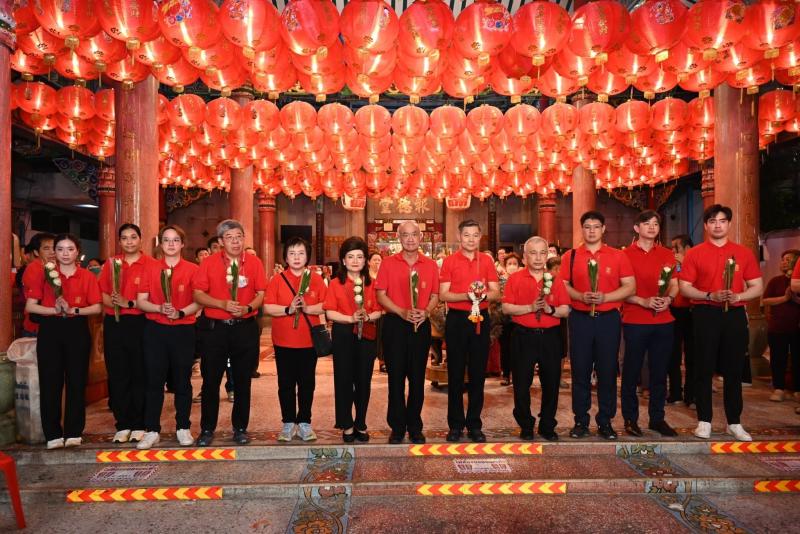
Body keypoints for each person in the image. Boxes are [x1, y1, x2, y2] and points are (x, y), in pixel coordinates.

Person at [679, 204, 763, 441]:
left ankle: (734, 422)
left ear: (729, 224)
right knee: (703, 367)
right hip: (705, 313)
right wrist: (709, 295)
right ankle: (704, 421)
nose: (718, 225)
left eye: (722, 221)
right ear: (706, 226)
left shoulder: (743, 253)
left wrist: (739, 296)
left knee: (734, 370)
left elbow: (757, 286)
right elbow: (685, 287)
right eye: (713, 221)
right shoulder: (695, 253)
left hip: (734, 314)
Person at [562, 211, 635, 440]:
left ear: (603, 229)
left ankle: (605, 421)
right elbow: (563, 285)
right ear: (582, 229)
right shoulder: (571, 256)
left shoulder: (617, 256)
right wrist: (579, 296)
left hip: (608, 319)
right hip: (580, 318)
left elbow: (630, 286)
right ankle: (580, 421)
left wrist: (607, 297)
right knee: (580, 370)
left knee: (607, 371)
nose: (591, 230)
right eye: (587, 226)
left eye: (596, 226)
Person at [193, 220, 266, 446]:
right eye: (230, 237)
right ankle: (207, 429)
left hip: (244, 328)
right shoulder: (209, 263)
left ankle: (240, 428)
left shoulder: (253, 262)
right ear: (221, 241)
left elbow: (261, 293)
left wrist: (248, 308)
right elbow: (198, 294)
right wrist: (222, 304)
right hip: (215, 330)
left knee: (243, 380)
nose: (235, 241)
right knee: (211, 380)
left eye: (239, 237)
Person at [25, 234, 102, 449]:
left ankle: (74, 431)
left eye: (70, 249)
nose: (65, 253)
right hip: (50, 329)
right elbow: (30, 306)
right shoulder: (44, 274)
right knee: (50, 382)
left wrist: (74, 310)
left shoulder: (86, 276)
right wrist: (54, 309)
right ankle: (52, 433)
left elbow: (96, 307)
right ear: (54, 252)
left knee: (77, 381)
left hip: (77, 328)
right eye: (60, 249)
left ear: (77, 252)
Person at [135, 225, 201, 449]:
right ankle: (152, 429)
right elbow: (141, 301)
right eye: (166, 240)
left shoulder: (193, 269)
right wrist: (158, 308)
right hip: (155, 330)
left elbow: (199, 301)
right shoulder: (150, 268)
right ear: (160, 244)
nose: (171, 244)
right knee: (154, 381)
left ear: (182, 244)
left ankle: (183, 427)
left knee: (182, 380)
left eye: (175, 240)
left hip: (183, 329)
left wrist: (180, 312)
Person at [375, 220, 440, 444]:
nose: (410, 239)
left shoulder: (430, 265)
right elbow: (380, 295)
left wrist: (426, 311)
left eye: (414, 234)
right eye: (405, 235)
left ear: (420, 237)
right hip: (395, 324)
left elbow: (435, 295)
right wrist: (401, 311)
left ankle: (415, 426)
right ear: (399, 238)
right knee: (395, 378)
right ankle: (397, 427)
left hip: (420, 325)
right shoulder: (388, 263)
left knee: (417, 378)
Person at [502, 237, 570, 441]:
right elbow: (506, 308)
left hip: (550, 337)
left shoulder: (555, 279)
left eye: (542, 253)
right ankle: (526, 424)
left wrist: (550, 310)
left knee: (551, 383)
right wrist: (530, 308)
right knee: (521, 383)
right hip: (523, 336)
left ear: (547, 255)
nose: (538, 258)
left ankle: (547, 425)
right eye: (533, 253)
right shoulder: (515, 279)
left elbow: (565, 310)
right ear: (525, 257)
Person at [439, 220, 501, 443]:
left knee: (477, 374)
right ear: (459, 236)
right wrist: (467, 296)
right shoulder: (449, 261)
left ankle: (474, 424)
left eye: (475, 235)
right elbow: (443, 294)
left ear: (480, 237)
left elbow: (496, 292)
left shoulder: (486, 261)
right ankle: (455, 424)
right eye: (467, 235)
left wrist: (481, 296)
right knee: (455, 374)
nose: (471, 239)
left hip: (480, 319)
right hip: (457, 320)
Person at [620, 211, 679, 438]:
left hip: (663, 320)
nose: (652, 227)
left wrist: (669, 299)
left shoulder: (667, 253)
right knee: (632, 371)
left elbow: (675, 284)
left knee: (659, 372)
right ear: (637, 228)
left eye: (656, 223)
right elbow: (619, 290)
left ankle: (657, 418)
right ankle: (630, 419)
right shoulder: (624, 255)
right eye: (647, 223)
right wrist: (642, 301)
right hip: (635, 320)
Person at [264, 237, 327, 442]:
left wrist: (307, 308)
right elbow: (268, 307)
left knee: (307, 384)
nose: (296, 257)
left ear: (307, 256)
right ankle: (288, 422)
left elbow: (326, 304)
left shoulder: (316, 279)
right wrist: (288, 309)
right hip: (283, 341)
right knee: (286, 384)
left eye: (301, 253)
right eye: (292, 253)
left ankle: (305, 422)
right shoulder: (277, 279)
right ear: (285, 257)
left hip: (308, 342)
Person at [324, 237, 383, 443]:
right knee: (343, 380)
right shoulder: (335, 283)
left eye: (360, 256)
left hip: (366, 334)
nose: (355, 261)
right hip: (343, 334)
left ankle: (361, 423)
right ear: (343, 260)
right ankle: (346, 424)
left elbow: (379, 311)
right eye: (350, 256)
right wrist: (350, 318)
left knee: (363, 381)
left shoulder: (372, 284)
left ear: (365, 260)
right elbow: (330, 312)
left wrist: (367, 316)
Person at [98, 224, 153, 444]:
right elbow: (102, 293)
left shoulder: (150, 264)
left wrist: (127, 303)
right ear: (119, 241)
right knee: (118, 372)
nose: (129, 242)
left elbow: (153, 298)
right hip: (115, 322)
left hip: (141, 323)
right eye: (124, 238)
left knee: (140, 372)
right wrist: (114, 304)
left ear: (140, 239)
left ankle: (139, 423)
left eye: (133, 237)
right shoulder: (111, 263)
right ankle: (122, 424)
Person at [762, 249, 800, 402]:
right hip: (778, 327)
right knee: (778, 359)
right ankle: (779, 388)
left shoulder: (797, 283)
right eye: (783, 260)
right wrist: (784, 298)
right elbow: (765, 300)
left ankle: (798, 389)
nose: (784, 262)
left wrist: (796, 299)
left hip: (797, 327)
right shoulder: (775, 281)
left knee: (798, 359)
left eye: (788, 260)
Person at [668, 234, 695, 406]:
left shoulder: (695, 261)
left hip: (692, 311)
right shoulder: (671, 264)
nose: (672, 251)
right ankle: (675, 392)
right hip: (673, 311)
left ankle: (691, 394)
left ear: (687, 248)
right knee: (673, 354)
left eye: (675, 247)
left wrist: (685, 263)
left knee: (692, 354)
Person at [20, 232, 56, 337]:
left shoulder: (53, 267)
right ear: (36, 252)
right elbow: (31, 305)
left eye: (54, 248)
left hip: (52, 324)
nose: (52, 252)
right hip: (37, 327)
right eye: (46, 248)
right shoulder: (35, 268)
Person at [499, 253, 521, 386]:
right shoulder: (500, 281)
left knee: (519, 348)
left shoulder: (522, 279)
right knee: (505, 348)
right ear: (505, 266)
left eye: (515, 264)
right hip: (504, 319)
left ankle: (518, 375)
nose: (512, 266)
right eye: (509, 264)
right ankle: (506, 374)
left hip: (519, 319)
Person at [368, 251, 386, 373]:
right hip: (369, 311)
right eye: (374, 260)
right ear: (368, 262)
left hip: (381, 311)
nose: (377, 262)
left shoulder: (383, 276)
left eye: (379, 260)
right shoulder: (365, 277)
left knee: (381, 336)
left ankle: (382, 361)